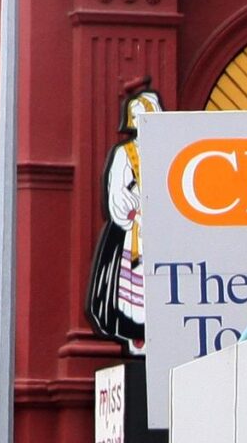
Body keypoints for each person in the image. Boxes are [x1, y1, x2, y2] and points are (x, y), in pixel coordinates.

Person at [85, 81, 162, 356]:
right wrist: (135, 213)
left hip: (164, 231)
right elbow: (117, 192)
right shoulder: (124, 153)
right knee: (134, 283)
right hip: (135, 233)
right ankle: (136, 337)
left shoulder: (168, 149)